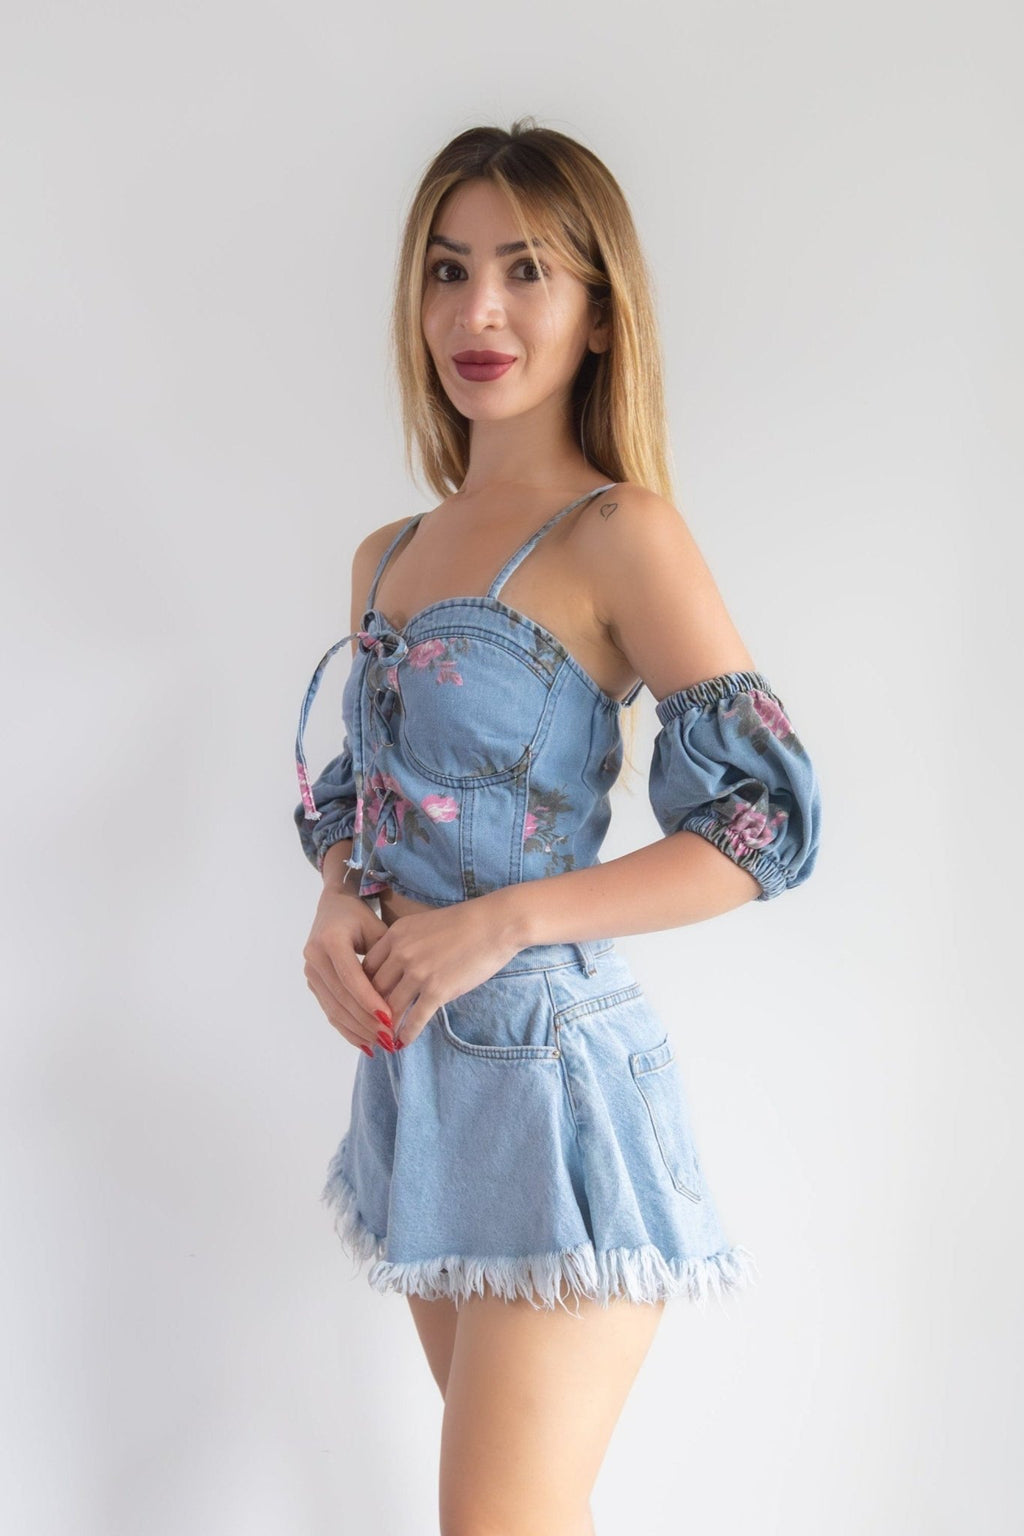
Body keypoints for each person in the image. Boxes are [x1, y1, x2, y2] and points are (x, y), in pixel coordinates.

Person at [293, 119, 822, 1535]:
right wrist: (342, 898)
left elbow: (762, 824)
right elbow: (361, 797)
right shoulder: (387, 556)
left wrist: (507, 919)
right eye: (449, 269)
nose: (480, 311)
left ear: (597, 312)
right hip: (422, 1093)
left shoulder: (619, 535)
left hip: (556, 1091)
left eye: (528, 271)